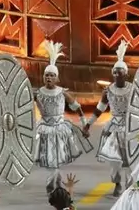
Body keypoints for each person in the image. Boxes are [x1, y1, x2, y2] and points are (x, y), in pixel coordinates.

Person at [33, 40, 92, 192]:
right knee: (51, 158)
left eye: (52, 75)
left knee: (56, 158)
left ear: (57, 78)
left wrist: (85, 124)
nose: (48, 78)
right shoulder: (38, 93)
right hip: (44, 128)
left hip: (60, 128)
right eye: (46, 75)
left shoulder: (63, 93)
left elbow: (78, 109)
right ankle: (55, 179)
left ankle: (52, 181)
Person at [95, 42, 139, 196]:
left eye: (120, 72)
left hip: (129, 127)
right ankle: (117, 183)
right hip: (113, 128)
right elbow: (100, 108)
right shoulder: (108, 91)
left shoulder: (133, 89)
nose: (117, 75)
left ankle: (129, 186)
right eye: (114, 72)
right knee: (114, 160)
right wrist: (87, 124)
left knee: (129, 160)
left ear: (126, 74)